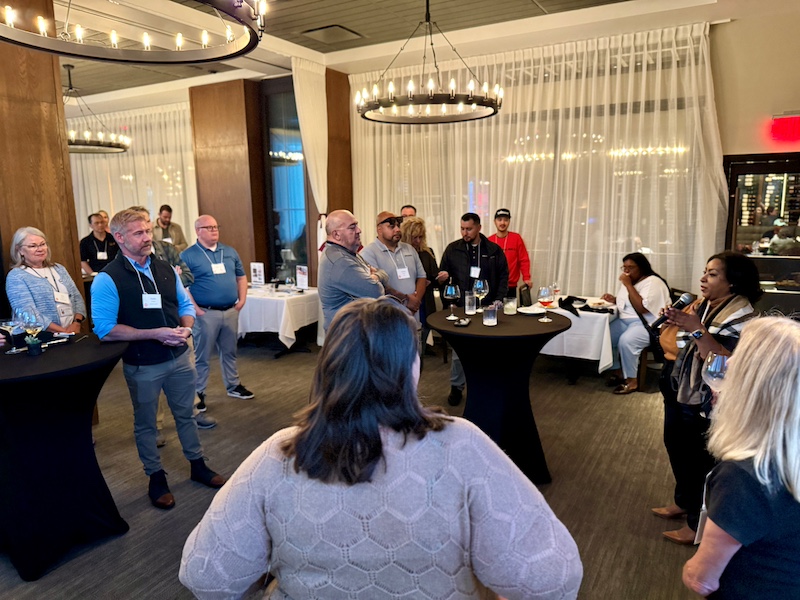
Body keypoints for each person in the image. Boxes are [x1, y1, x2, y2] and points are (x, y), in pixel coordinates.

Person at [179, 298, 583, 599]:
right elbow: (551, 576)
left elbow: (207, 575)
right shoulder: (462, 445)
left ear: (329, 365)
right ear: (411, 367)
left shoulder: (279, 453)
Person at [91, 209, 226, 510]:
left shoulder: (164, 267)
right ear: (119, 237)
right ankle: (155, 476)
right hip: (143, 363)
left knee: (186, 414)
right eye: (139, 233)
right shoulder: (107, 279)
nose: (147, 238)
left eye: (148, 231)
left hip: (180, 356)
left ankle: (197, 463)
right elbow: (105, 330)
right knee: (147, 424)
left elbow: (184, 305)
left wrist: (186, 329)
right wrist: (155, 334)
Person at [682, 316, 800, 598]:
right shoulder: (788, 452)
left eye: (741, 354)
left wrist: (688, 569)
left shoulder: (745, 475)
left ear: (756, 384)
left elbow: (701, 580)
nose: (728, 362)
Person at [653, 251, 761, 544]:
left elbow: (724, 363)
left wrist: (697, 330)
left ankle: (695, 526)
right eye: (705, 272)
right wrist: (676, 322)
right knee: (676, 446)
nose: (703, 278)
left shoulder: (741, 316)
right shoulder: (704, 305)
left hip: (707, 399)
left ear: (732, 282)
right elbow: (681, 345)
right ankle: (683, 502)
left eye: (712, 274)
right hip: (682, 388)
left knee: (699, 461)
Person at [129, 205, 207, 440]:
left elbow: (188, 276)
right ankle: (156, 427)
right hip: (147, 327)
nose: (146, 232)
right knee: (151, 383)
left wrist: (171, 277)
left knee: (187, 373)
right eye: (140, 228)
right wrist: (171, 276)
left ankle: (193, 413)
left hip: (176, 321)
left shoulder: (167, 249)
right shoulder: (126, 257)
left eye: (147, 224)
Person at [181, 215, 254, 414]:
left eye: (216, 227)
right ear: (198, 231)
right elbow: (183, 286)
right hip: (206, 313)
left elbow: (241, 276)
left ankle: (233, 385)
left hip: (230, 310)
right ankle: (199, 392)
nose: (214, 230)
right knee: (202, 356)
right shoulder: (188, 255)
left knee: (230, 351)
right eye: (209, 227)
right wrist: (196, 309)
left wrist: (242, 299)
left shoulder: (229, 251)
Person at [436, 213, 509, 405]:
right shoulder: (453, 249)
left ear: (478, 228)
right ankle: (456, 387)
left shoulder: (493, 250)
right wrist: (448, 301)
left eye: (468, 229)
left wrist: (498, 300)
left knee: (487, 350)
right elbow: (444, 276)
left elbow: (503, 276)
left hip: (487, 308)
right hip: (462, 308)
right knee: (459, 351)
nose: (464, 232)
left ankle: (485, 387)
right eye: (462, 228)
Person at [601, 252, 671, 395]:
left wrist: (627, 285)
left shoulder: (653, 282)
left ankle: (632, 381)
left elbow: (641, 308)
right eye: (624, 267)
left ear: (642, 268)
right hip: (625, 320)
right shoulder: (632, 281)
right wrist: (615, 299)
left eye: (631, 267)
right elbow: (629, 302)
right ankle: (618, 370)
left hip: (647, 324)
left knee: (626, 341)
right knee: (605, 335)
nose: (627, 271)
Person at [7, 226, 87, 335]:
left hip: (72, 332)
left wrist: (77, 323)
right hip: (37, 338)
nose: (40, 249)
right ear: (20, 250)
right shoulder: (16, 276)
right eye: (33, 246)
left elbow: (77, 298)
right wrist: (64, 332)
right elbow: (28, 315)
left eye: (42, 244)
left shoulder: (59, 269)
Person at [317, 209, 384, 330]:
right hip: (346, 334)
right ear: (336, 235)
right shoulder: (340, 261)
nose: (359, 230)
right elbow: (377, 292)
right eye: (352, 227)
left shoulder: (348, 254)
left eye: (357, 225)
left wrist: (376, 276)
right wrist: (375, 276)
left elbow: (382, 273)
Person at [360, 211, 427, 323]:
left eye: (398, 226)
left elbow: (422, 277)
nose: (397, 230)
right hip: (387, 317)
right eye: (391, 227)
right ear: (379, 229)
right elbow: (376, 285)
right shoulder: (369, 253)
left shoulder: (409, 249)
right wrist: (406, 299)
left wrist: (415, 303)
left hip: (413, 316)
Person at [400, 216, 439, 351]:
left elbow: (434, 276)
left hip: (425, 302)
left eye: (420, 237)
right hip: (406, 301)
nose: (417, 241)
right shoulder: (398, 254)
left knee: (421, 341)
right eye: (414, 237)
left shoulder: (427, 253)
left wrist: (434, 280)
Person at [488, 208, 532, 293]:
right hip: (493, 286)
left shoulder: (516, 238)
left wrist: (526, 277)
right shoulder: (489, 241)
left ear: (509, 222)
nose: (502, 223)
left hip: (511, 286)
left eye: (506, 220)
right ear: (494, 222)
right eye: (499, 220)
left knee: (511, 303)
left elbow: (524, 260)